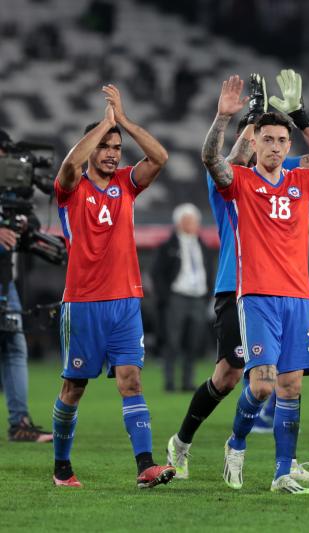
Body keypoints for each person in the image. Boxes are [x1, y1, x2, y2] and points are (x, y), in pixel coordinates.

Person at [202, 75, 309, 494]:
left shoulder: (300, 182)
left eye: (283, 140)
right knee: (261, 385)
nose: (277, 146)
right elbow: (212, 158)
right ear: (258, 143)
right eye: (269, 139)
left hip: (297, 297)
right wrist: (223, 118)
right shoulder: (241, 183)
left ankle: (283, 472)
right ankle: (237, 442)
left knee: (291, 385)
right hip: (257, 296)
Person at [166, 70, 309, 484]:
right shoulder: (229, 176)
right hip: (236, 285)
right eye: (258, 137)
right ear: (249, 142)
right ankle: (182, 442)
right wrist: (242, 119)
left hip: (281, 289)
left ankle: (285, 461)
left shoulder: (282, 167)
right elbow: (230, 159)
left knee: (281, 378)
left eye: (274, 138)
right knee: (228, 376)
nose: (267, 145)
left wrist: (289, 116)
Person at [51, 84, 175, 488]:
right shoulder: (72, 190)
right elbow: (69, 166)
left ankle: (145, 465)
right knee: (74, 387)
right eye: (105, 145)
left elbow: (159, 157)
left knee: (131, 380)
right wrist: (102, 125)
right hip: (83, 302)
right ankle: (62, 468)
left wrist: (122, 121)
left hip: (125, 301)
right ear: (91, 149)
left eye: (116, 146)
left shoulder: (127, 183)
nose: (112, 152)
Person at [0, 131, 52, 443]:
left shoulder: (12, 191)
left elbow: (30, 221)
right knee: (13, 347)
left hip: (6, 278)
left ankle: (19, 421)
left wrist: (22, 226)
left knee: (14, 346)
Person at [151, 203, 213, 392]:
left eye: (193, 221)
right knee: (172, 342)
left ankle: (188, 381)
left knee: (193, 342)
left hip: (198, 298)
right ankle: (170, 382)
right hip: (177, 297)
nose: (191, 224)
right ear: (178, 223)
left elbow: (209, 271)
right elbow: (157, 273)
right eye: (187, 221)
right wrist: (166, 297)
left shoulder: (203, 245)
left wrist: (208, 295)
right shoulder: (168, 246)